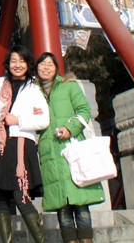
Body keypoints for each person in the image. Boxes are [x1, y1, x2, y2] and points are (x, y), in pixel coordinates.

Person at [0, 45, 50, 243]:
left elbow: (43, 119)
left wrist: (19, 120)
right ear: (8, 64)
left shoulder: (34, 89)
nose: (17, 65)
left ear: (28, 64)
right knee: (0, 199)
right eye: (13, 61)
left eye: (22, 61)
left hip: (19, 146)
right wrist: (0, 103)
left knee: (21, 196)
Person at [35, 52, 105, 243]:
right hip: (50, 153)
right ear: (37, 69)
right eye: (42, 64)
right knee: (62, 208)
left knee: (81, 204)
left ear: (57, 67)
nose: (46, 67)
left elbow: (84, 110)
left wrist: (70, 128)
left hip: (72, 149)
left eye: (50, 64)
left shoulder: (68, 86)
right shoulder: (34, 92)